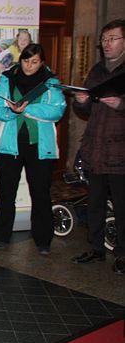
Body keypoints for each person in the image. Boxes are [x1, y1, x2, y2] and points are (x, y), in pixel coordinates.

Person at [0, 44, 66, 255]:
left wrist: (26, 107)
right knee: (6, 193)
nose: (29, 66)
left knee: (40, 193)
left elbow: (57, 111)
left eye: (34, 62)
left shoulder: (51, 82)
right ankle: (1, 237)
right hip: (9, 146)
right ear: (20, 60)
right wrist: (13, 111)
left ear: (41, 62)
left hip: (39, 147)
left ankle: (43, 240)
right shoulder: (7, 78)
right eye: (25, 61)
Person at [72, 19, 125, 274]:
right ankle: (95, 248)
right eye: (104, 39)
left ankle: (122, 254)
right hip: (96, 149)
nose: (106, 44)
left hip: (120, 152)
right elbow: (85, 109)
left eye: (112, 39)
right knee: (94, 203)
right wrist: (82, 101)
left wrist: (121, 105)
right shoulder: (97, 71)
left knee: (122, 205)